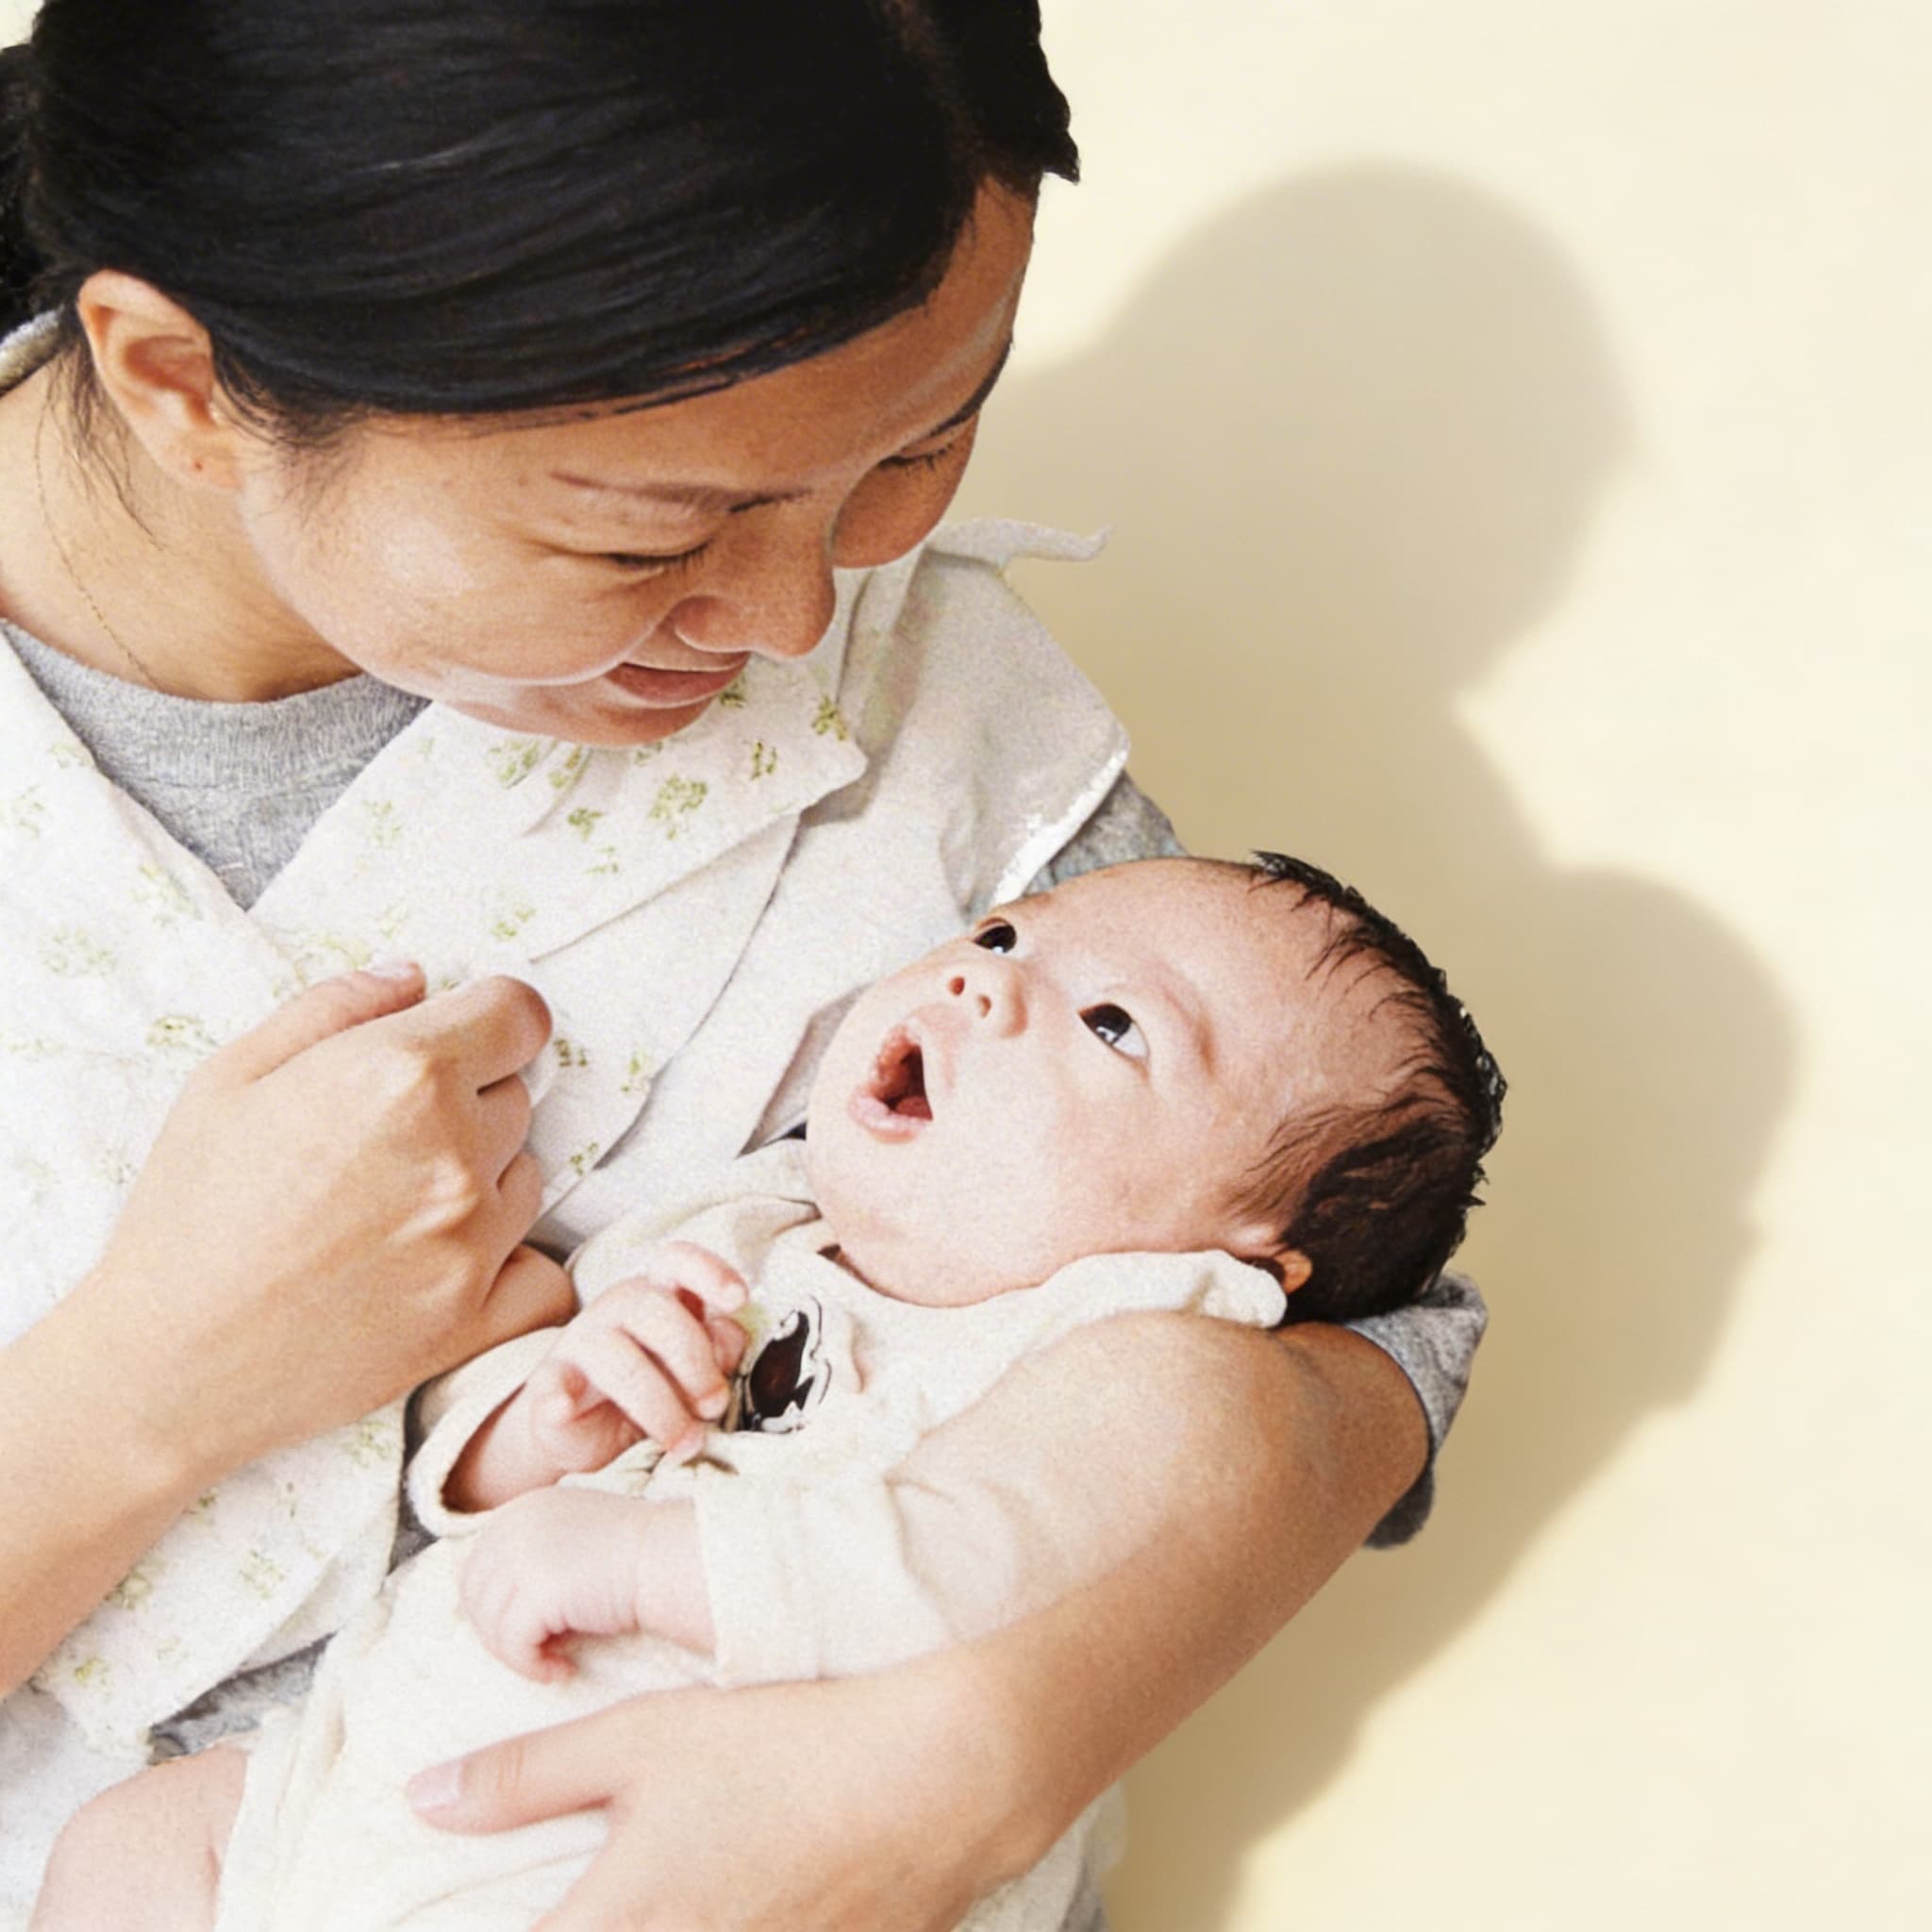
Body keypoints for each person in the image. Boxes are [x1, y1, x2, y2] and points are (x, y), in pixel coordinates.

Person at [0, 5, 1485, 1926]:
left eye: (923, 444)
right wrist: (139, 1385)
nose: (795, 616)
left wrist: (990, 1742)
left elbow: (1359, 1327)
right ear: (180, 381)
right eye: (648, 538)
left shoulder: (945, 713)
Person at [31, 853, 1505, 1932]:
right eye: (1004, 932)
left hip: (666, 1860)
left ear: (1241, 1256)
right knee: (134, 1845)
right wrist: (545, 1417)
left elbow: (968, 1571)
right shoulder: (752, 1228)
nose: (984, 977)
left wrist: (649, 1561)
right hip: (360, 1793)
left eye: (1113, 1024)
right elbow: (465, 1494)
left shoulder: (1126, 1351)